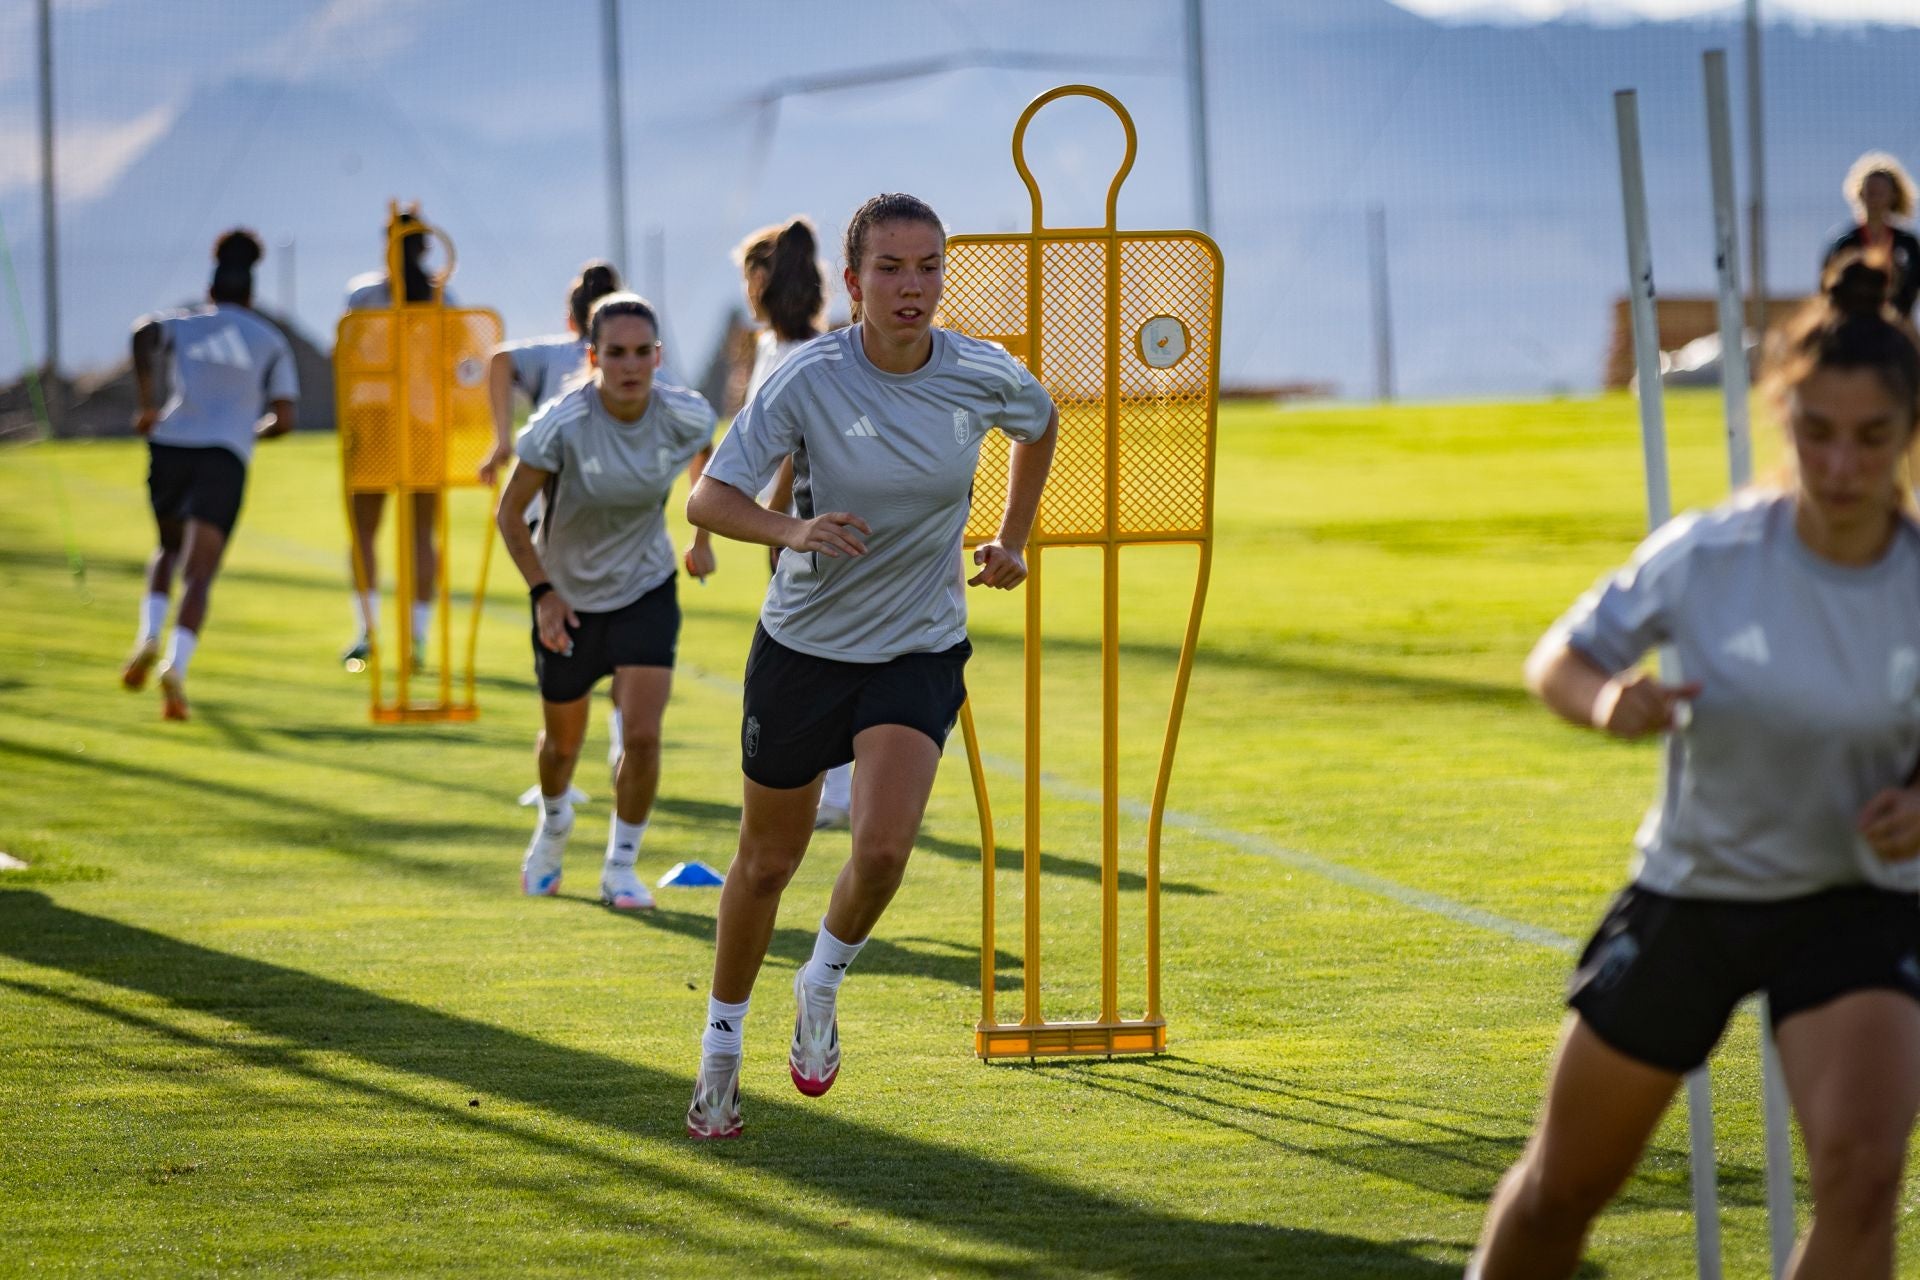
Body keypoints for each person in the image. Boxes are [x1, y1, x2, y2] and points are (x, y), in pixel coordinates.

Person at [1471, 257, 1920, 1280]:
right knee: (1567, 1184)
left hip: (1863, 900)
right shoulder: (1712, 554)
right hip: (1695, 890)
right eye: (1817, 433)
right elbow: (1560, 656)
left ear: (1908, 435)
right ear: (1782, 418)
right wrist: (1608, 700)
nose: (1841, 465)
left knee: (1862, 1179)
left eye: (1872, 438)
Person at [681, 193, 1059, 1139]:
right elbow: (709, 502)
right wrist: (793, 527)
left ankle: (822, 982)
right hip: (801, 649)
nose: (912, 286)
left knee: (883, 850)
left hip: (918, 645)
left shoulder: (979, 371)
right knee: (767, 862)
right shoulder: (805, 379)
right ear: (851, 284)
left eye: (928, 267)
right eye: (889, 269)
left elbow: (1042, 421)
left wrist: (1014, 539)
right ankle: (721, 1049)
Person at [495, 293, 717, 911]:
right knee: (562, 746)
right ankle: (556, 823)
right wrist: (542, 594)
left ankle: (621, 867)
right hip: (565, 597)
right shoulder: (560, 424)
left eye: (642, 352)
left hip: (646, 588)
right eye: (615, 353)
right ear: (593, 356)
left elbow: (705, 472)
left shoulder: (685, 415)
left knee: (643, 737)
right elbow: (510, 514)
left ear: (658, 356)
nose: (629, 366)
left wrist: (699, 538)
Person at [121, 229, 298, 721]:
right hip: (224, 456)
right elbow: (284, 420)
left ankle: (148, 633)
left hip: (171, 444)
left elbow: (142, 333)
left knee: (167, 548)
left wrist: (146, 404)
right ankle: (175, 665)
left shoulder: (187, 324)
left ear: (210, 288)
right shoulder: (270, 340)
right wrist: (247, 430)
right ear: (252, 292)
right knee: (200, 573)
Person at [485, 260, 627, 786]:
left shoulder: (552, 353)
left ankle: (559, 775)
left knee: (564, 638)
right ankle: (619, 747)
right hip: (617, 518)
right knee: (618, 639)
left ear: (572, 321)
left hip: (553, 520)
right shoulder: (634, 353)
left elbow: (498, 360)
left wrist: (502, 438)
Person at [733, 215, 853, 830]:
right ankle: (829, 788)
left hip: (814, 520)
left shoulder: (809, 354)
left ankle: (837, 791)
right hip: (780, 523)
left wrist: (780, 520)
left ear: (763, 283)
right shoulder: (770, 347)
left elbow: (798, 450)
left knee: (829, 653)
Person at [340, 207, 455, 672]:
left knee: (368, 531)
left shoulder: (367, 295)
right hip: (418, 420)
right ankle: (415, 638)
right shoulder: (442, 297)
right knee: (417, 533)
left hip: (378, 418)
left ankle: (371, 632)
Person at [1823, 152, 1920, 322]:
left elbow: (1913, 285)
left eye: (1881, 193)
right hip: (1852, 323)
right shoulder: (1844, 243)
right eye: (1871, 192)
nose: (1875, 199)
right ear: (1860, 194)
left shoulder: (1908, 244)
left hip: (1899, 322)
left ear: (1893, 196)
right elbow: (1827, 285)